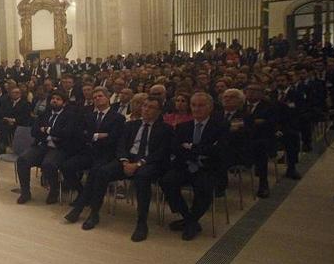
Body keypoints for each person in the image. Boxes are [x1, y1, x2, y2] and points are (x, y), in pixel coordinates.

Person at [65, 98, 173, 242]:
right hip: (127, 160)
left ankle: (142, 222)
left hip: (148, 163)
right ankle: (94, 213)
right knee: (102, 172)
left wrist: (139, 164)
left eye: (151, 107)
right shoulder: (131, 125)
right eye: (145, 106)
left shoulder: (165, 129)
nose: (146, 109)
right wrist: (124, 161)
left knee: (142, 178)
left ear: (159, 112)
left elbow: (161, 152)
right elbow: (121, 145)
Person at [160, 93, 228, 241]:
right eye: (194, 105)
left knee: (204, 186)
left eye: (201, 105)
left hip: (209, 167)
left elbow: (219, 151)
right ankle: (189, 218)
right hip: (186, 165)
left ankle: (191, 221)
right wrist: (198, 151)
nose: (197, 109)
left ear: (210, 107)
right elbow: (177, 149)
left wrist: (192, 147)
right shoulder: (183, 126)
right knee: (166, 181)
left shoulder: (220, 126)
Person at [16, 91, 83, 205]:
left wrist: (47, 130)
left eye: (58, 99)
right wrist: (51, 134)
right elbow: (34, 131)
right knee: (22, 160)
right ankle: (25, 192)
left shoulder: (70, 116)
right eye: (53, 98)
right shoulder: (44, 113)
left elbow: (66, 134)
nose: (55, 101)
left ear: (64, 102)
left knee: (49, 164)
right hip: (43, 145)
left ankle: (54, 190)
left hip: (59, 148)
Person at [60, 88, 125, 202]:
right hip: (89, 152)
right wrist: (97, 136)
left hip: (106, 155)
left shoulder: (117, 117)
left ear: (108, 97)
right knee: (66, 166)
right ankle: (81, 192)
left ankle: (88, 199)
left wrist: (91, 136)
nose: (97, 99)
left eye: (100, 96)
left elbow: (113, 138)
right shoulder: (89, 116)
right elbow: (80, 134)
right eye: (95, 98)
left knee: (95, 172)